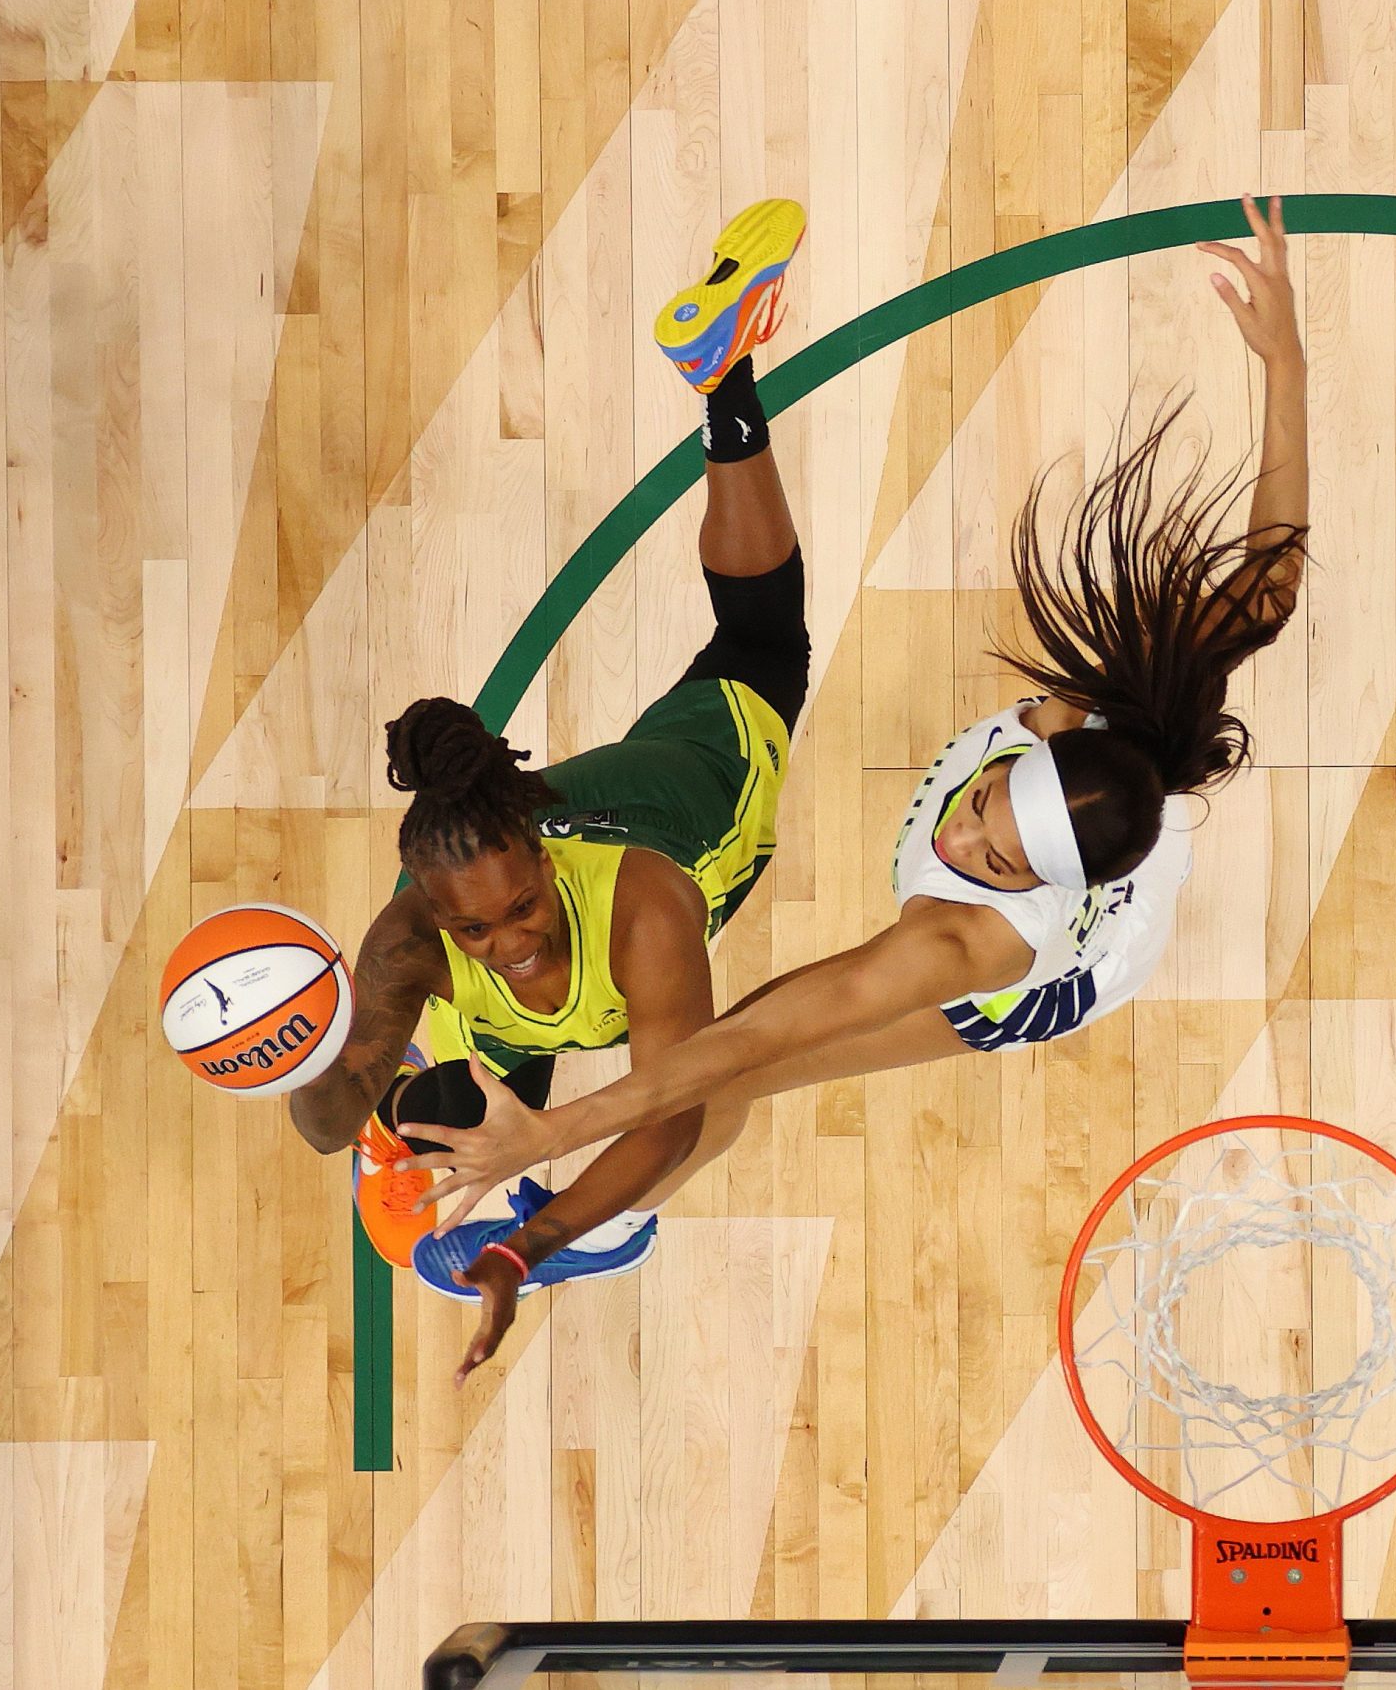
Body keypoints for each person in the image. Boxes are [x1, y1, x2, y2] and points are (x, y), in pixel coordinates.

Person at [401, 194, 1311, 1379]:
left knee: (747, 1053)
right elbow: (1269, 590)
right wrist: (1285, 360)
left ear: (1025, 882)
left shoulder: (966, 942)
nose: (964, 830)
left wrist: (554, 1140)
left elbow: (738, 1048)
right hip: (1099, 827)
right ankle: (727, 381)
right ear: (1040, 749)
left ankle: (602, 1223)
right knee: (722, 1036)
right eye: (985, 804)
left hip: (1054, 984)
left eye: (989, 855)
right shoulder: (1105, 715)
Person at [290, 199, 814, 1374]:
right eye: (476, 925)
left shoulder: (646, 913)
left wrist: (537, 1241)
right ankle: (457, 1147)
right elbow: (324, 1127)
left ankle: (724, 377)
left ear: (538, 857)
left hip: (693, 779)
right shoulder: (413, 939)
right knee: (449, 1121)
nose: (510, 937)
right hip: (547, 820)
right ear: (434, 912)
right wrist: (311, 1057)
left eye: (522, 908)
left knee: (764, 640)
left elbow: (673, 1106)